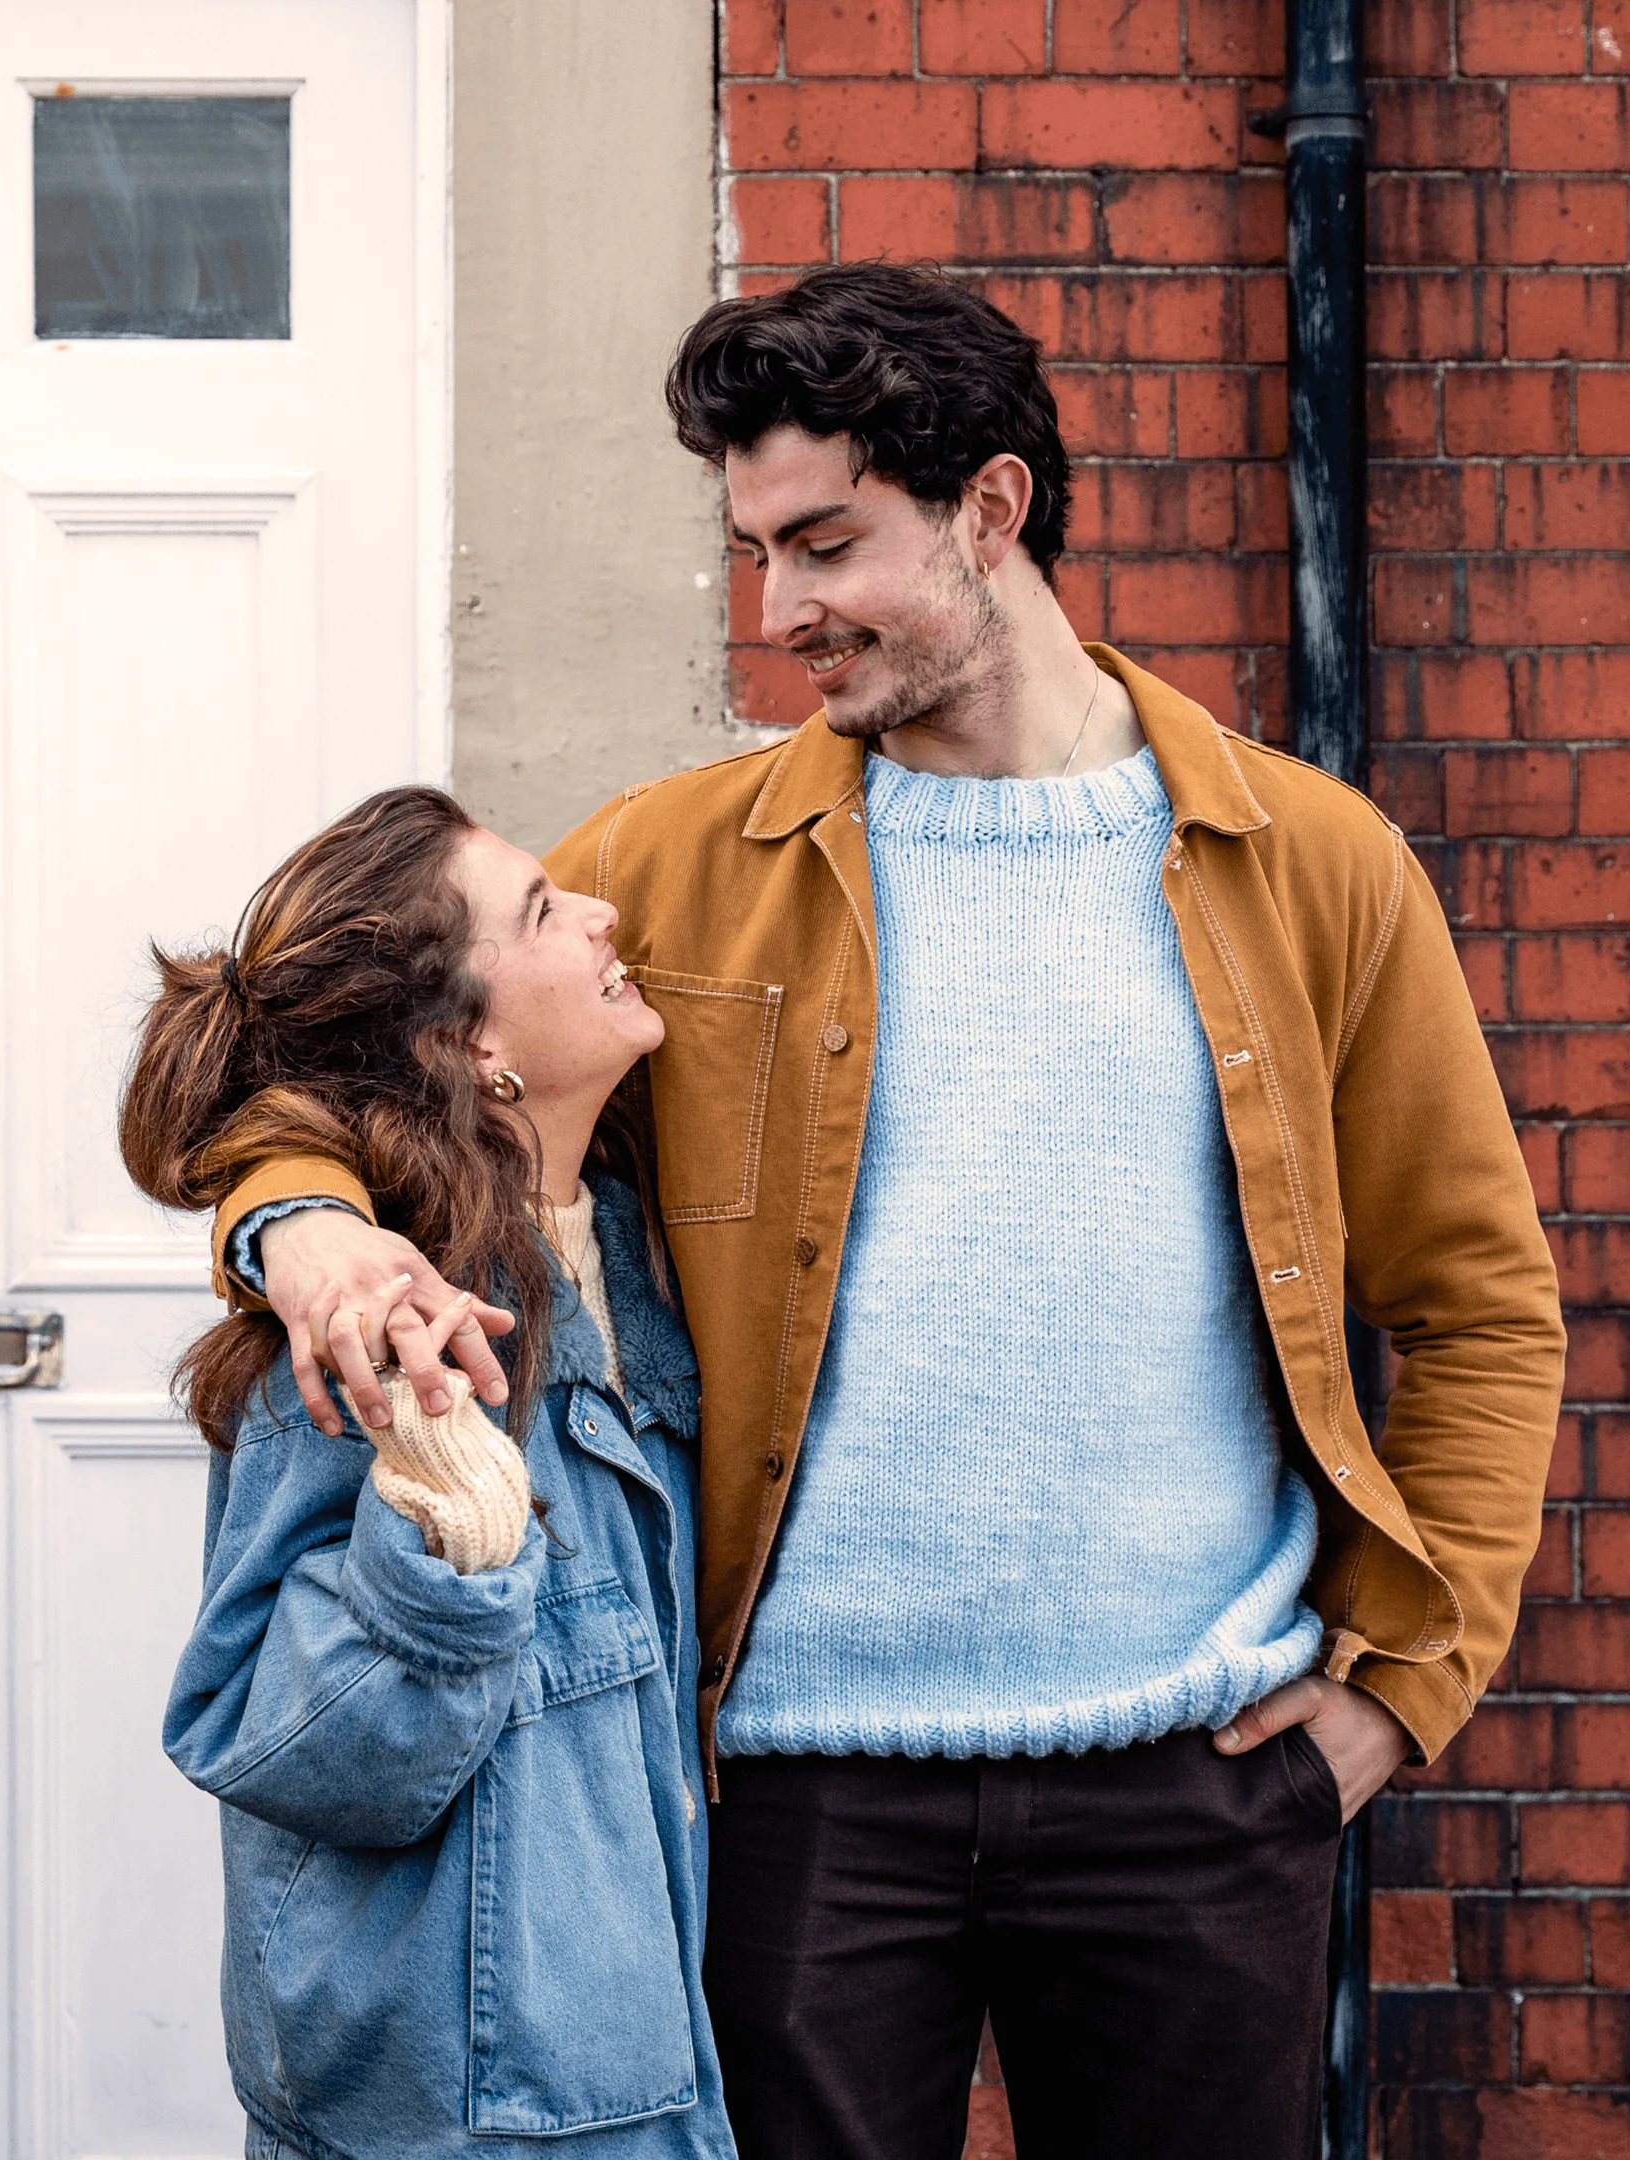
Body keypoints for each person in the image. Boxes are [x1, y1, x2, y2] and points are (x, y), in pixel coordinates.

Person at [202, 263, 1565, 2160]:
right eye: (757, 552)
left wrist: (1398, 1699)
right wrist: (303, 1228)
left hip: (1200, 1780)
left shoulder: (1312, 865)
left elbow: (1483, 1305)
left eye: (826, 544)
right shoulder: (673, 869)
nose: (781, 613)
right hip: (791, 1798)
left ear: (991, 512)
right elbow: (333, 1069)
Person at [121, 786, 734, 2160]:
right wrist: (451, 1544)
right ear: (473, 1045)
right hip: (460, 2111)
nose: (603, 913)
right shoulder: (369, 1342)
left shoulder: (635, 1256)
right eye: (541, 911)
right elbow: (285, 1743)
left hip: (641, 2068)